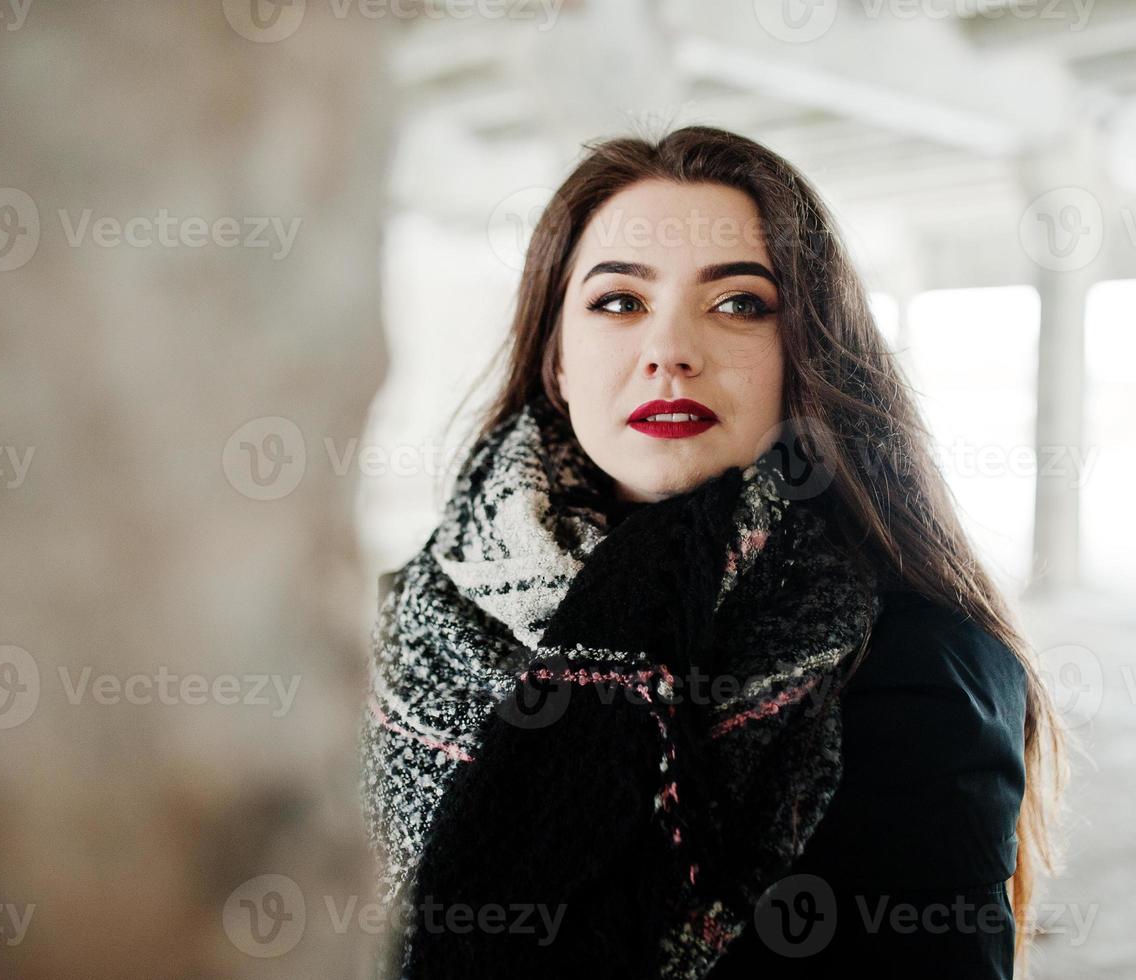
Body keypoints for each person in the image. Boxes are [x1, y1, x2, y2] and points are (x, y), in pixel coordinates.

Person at [363, 125, 1066, 979]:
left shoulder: (920, 664)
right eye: (618, 302)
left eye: (738, 304)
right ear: (555, 361)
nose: (670, 350)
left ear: (803, 353)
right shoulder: (408, 616)